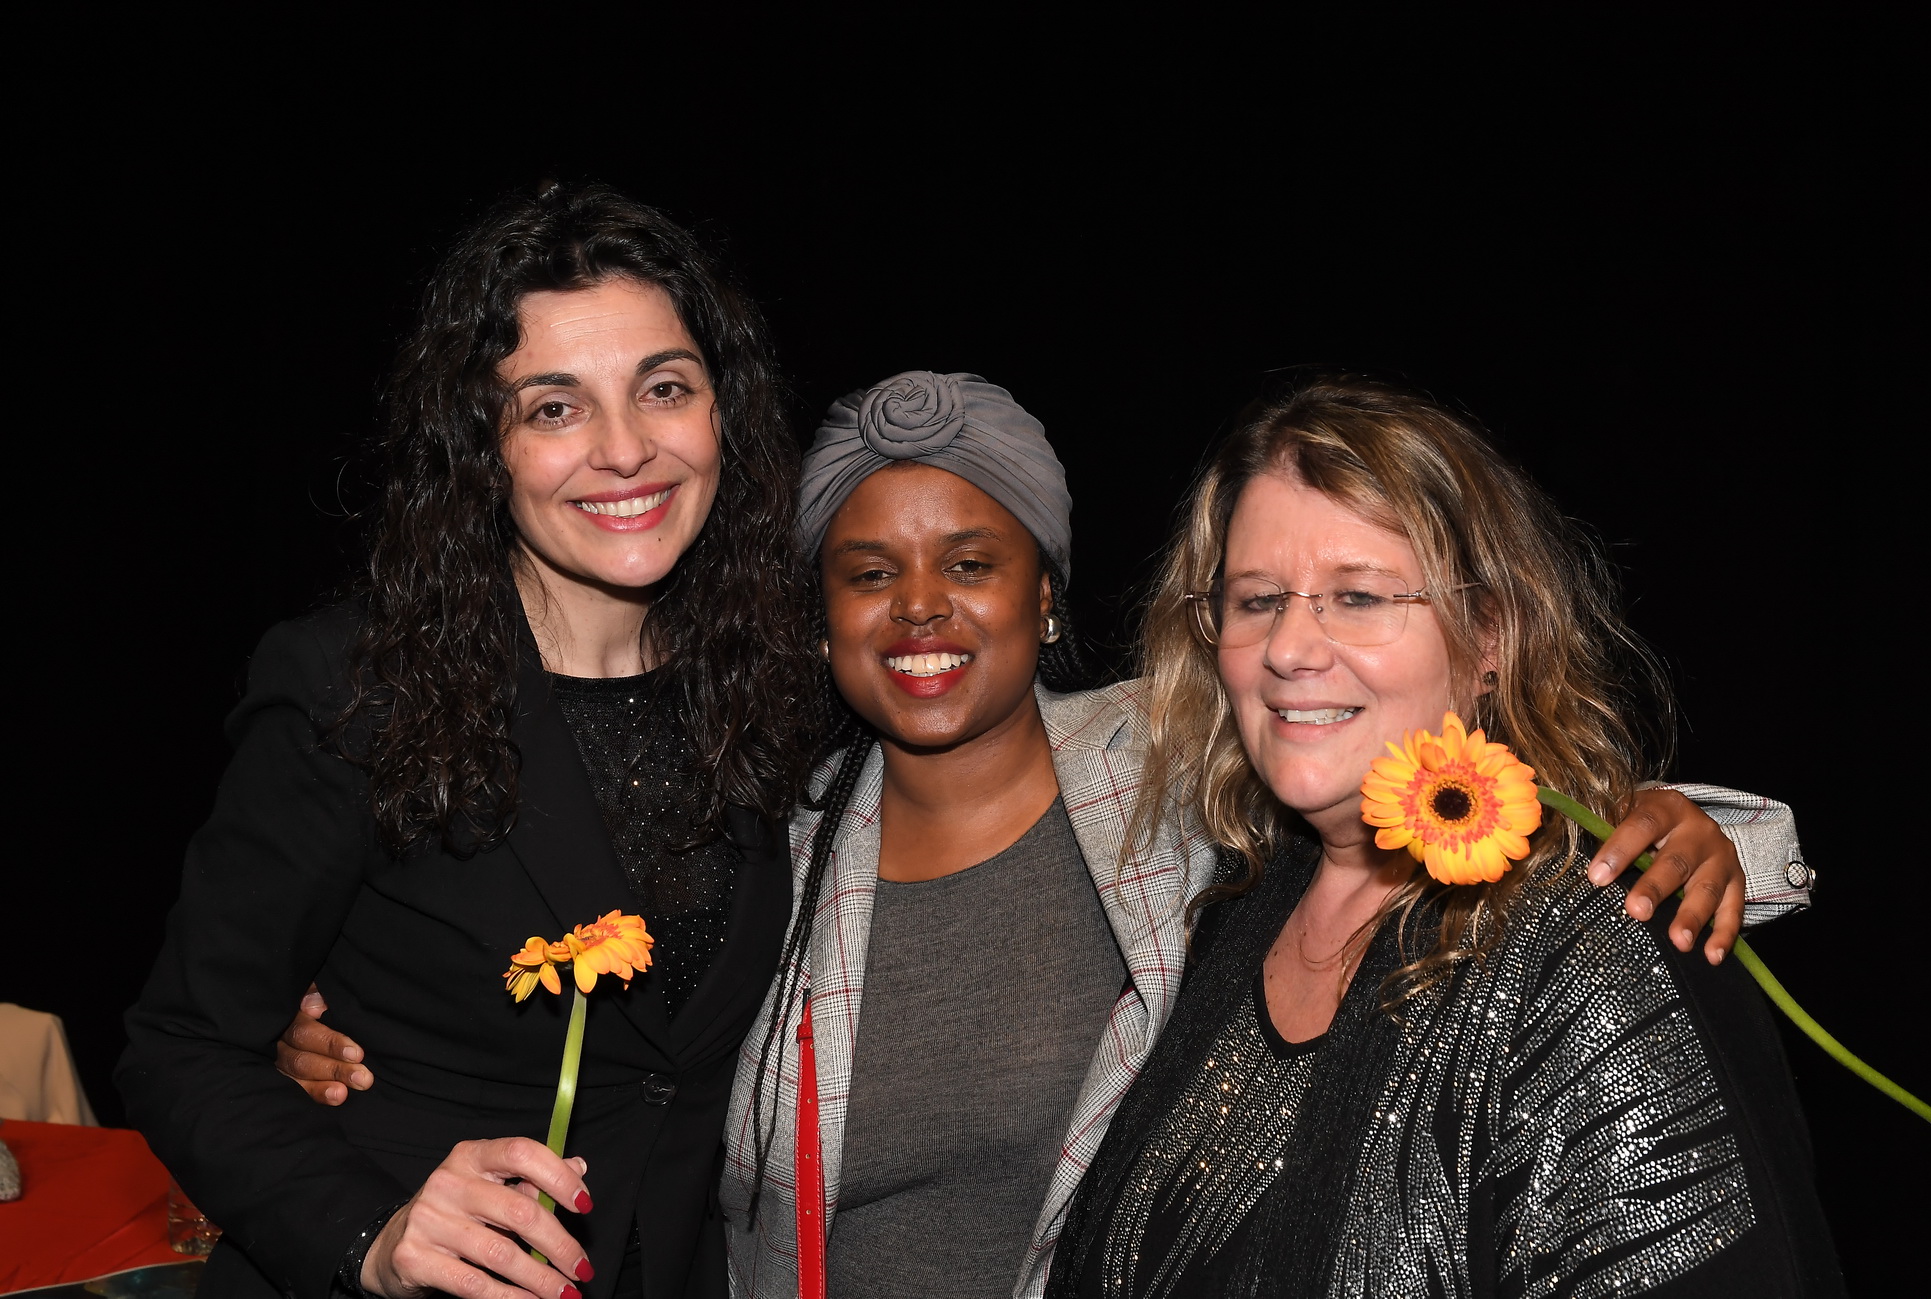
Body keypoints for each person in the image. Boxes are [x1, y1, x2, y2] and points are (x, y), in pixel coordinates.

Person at [279, 373, 1809, 1296]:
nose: (921, 607)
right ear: (818, 617)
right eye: (867, 572)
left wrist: (1681, 832)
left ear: (1046, 591)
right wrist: (357, 1047)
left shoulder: (1172, 770)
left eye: (971, 560)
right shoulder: (759, 852)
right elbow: (591, 1034)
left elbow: (1443, 778)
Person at [117, 183, 823, 1299]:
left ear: (721, 410)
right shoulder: (357, 689)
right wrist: (372, 1237)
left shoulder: (781, 684)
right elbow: (180, 1045)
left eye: (664, 389)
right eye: (555, 408)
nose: (626, 449)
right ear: (480, 448)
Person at [1045, 376, 1844, 1296]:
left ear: (1488, 635)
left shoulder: (1598, 941)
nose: (1289, 649)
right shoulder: (1205, 911)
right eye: (1257, 600)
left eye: (1357, 596)